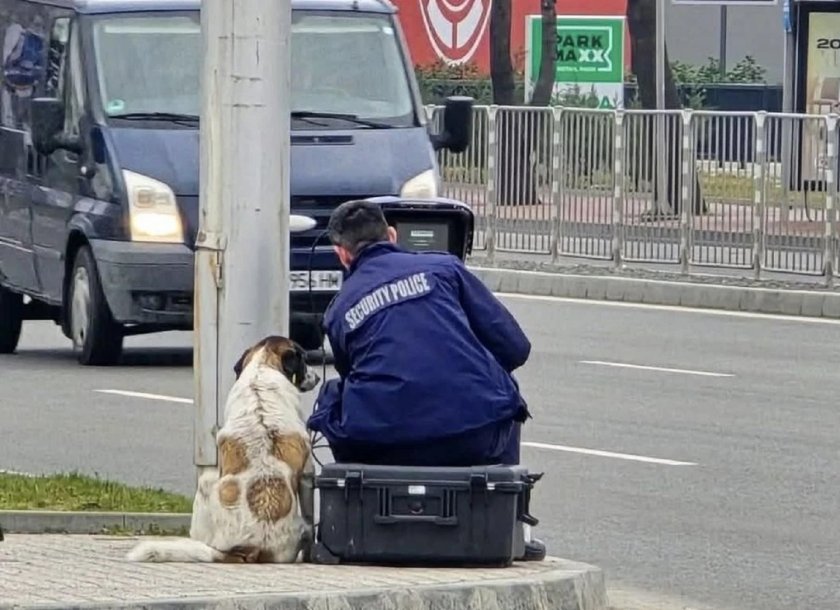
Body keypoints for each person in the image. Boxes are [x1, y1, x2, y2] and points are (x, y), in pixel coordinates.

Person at [307, 199, 545, 560]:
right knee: (502, 391)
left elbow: (354, 378)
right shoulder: (445, 268)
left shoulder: (339, 310)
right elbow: (516, 349)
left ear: (342, 255)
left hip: (382, 445)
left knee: (333, 395)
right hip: (475, 439)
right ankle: (513, 528)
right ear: (391, 234)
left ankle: (359, 512)